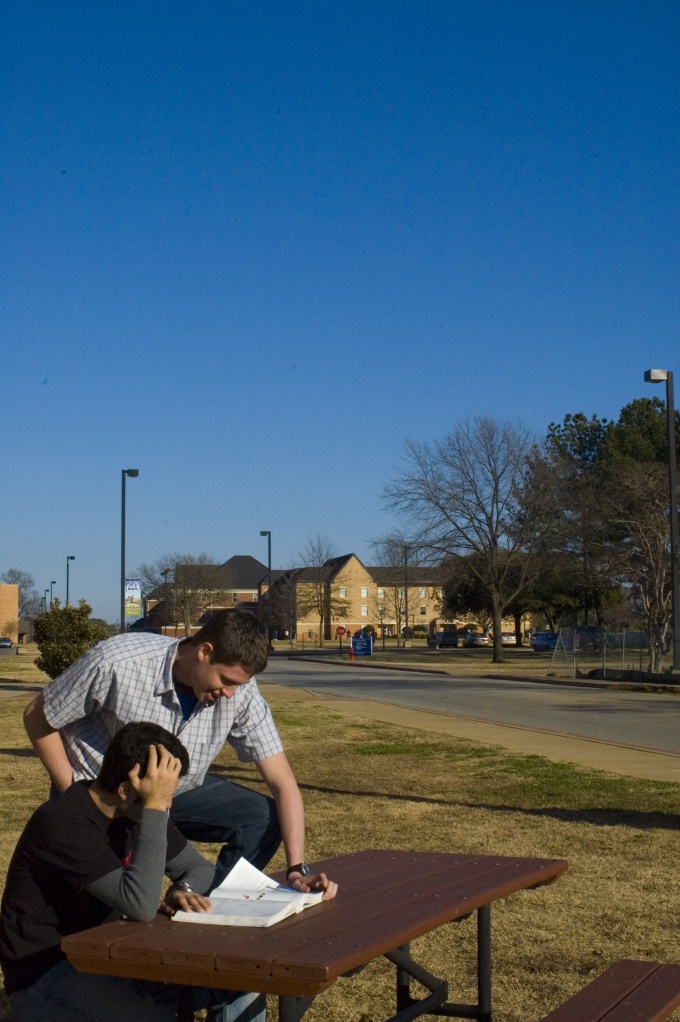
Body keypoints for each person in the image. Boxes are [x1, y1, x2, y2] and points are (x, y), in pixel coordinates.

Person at [0, 722, 336, 1022]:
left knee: (239, 981)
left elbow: (197, 869)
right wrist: (155, 807)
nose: (170, 805)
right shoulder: (65, 822)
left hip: (111, 955)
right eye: (165, 796)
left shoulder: (131, 812)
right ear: (126, 790)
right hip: (46, 976)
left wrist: (181, 889)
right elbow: (141, 905)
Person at [23, 608, 312, 888]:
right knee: (108, 905)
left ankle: (203, 901)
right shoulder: (118, 661)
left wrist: (297, 869)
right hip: (109, 795)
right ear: (205, 652)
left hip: (177, 792)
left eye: (238, 684)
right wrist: (75, 795)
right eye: (225, 681)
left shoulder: (240, 692)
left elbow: (282, 782)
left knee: (262, 817)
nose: (230, 693)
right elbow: (38, 716)